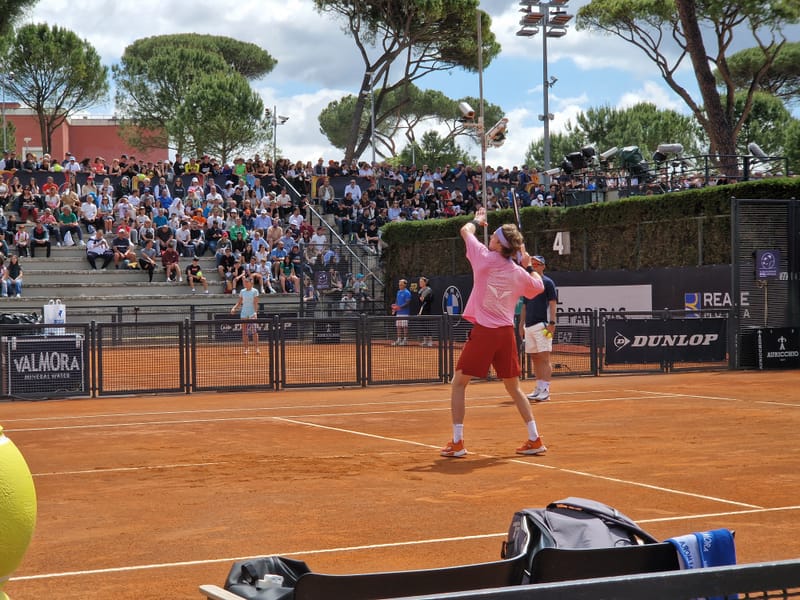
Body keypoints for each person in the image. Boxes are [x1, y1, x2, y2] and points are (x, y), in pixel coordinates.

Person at [440, 207, 546, 458]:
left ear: (499, 243)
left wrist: (477, 220)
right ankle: (534, 438)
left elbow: (465, 230)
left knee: (458, 384)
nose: (490, 238)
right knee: (514, 388)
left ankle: (457, 442)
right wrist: (528, 265)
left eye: (494, 236)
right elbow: (538, 287)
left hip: (486, 332)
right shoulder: (519, 272)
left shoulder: (483, 258)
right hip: (506, 334)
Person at [520, 255, 558, 402]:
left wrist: (552, 323)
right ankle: (539, 387)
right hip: (528, 326)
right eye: (533, 264)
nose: (534, 266)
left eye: (537, 264)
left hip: (542, 326)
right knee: (535, 358)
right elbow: (524, 306)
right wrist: (521, 324)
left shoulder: (548, 283)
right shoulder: (528, 284)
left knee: (544, 357)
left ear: (543, 266)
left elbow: (553, 303)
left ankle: (546, 390)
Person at [230, 275, 260, 354]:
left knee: (254, 331)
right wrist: (234, 308)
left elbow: (255, 303)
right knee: (244, 332)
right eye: (245, 282)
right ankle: (246, 349)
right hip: (244, 313)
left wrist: (255, 313)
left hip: (252, 313)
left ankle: (257, 348)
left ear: (251, 283)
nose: (245, 283)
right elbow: (239, 302)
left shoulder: (255, 291)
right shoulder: (242, 291)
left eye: (247, 282)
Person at [390, 278, 412, 346]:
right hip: (398, 313)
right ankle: (399, 339)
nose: (400, 286)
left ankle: (405, 340)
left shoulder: (407, 293)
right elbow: (397, 301)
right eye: (399, 285)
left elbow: (408, 302)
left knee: (405, 327)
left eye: (401, 285)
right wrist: (395, 308)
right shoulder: (398, 292)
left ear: (405, 285)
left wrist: (400, 307)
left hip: (405, 313)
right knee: (398, 326)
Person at [417, 276, 434, 347]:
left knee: (427, 325)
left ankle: (430, 341)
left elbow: (430, 299)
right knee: (423, 326)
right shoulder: (420, 291)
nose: (420, 283)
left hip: (427, 309)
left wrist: (425, 299)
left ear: (425, 282)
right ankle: (425, 341)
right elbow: (420, 300)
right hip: (421, 310)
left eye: (421, 282)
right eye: (419, 282)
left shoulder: (429, 290)